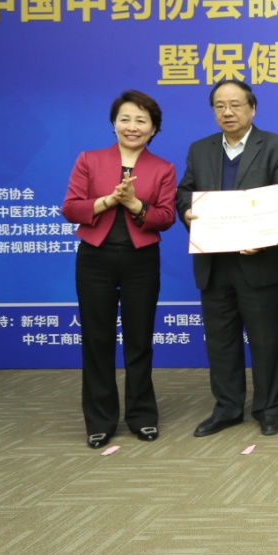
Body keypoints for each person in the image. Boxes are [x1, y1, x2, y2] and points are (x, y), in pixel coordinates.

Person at [177, 80, 278, 437]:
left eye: (235, 105)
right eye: (219, 106)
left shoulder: (277, 146)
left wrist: (262, 236)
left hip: (259, 261)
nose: (227, 112)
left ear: (252, 108)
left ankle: (269, 407)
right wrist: (186, 211)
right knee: (220, 340)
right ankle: (228, 407)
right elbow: (184, 192)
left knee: (266, 340)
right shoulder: (199, 149)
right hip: (214, 262)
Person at [63, 90, 177, 449]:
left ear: (154, 128)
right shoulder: (89, 160)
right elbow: (70, 208)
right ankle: (99, 420)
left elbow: (166, 217)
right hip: (94, 260)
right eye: (125, 119)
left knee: (139, 341)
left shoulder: (163, 168)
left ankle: (142, 417)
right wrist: (108, 201)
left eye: (141, 120)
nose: (132, 126)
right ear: (113, 124)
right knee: (96, 340)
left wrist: (135, 204)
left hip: (141, 262)